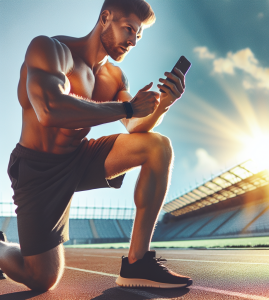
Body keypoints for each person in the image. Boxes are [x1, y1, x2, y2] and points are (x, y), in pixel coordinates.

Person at [0, 0, 192, 291]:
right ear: (105, 18)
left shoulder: (114, 76)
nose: (133, 41)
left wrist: (162, 105)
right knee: (41, 279)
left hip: (79, 158)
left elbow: (135, 127)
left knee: (157, 146)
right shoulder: (50, 50)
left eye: (138, 36)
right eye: (129, 29)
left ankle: (137, 263)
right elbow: (50, 110)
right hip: (37, 168)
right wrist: (127, 108)